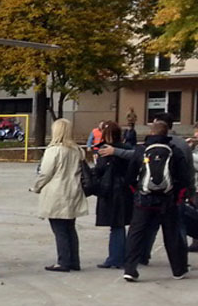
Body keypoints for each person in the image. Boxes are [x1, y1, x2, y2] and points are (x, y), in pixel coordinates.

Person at [121, 120, 190, 282]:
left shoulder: (141, 150)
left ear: (151, 132)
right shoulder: (175, 151)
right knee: (172, 235)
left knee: (136, 234)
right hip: (168, 201)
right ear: (167, 133)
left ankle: (130, 269)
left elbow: (130, 177)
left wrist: (137, 192)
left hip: (143, 201)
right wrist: (177, 196)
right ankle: (178, 270)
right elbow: (184, 178)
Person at [33, 119, 88, 272]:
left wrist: (36, 186)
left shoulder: (54, 150)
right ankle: (74, 260)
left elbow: (45, 173)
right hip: (73, 190)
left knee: (59, 229)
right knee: (70, 228)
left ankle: (63, 261)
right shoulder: (77, 150)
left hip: (57, 192)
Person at [93, 121, 132, 269]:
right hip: (126, 189)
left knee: (116, 226)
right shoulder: (127, 149)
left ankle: (116, 258)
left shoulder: (105, 150)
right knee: (120, 225)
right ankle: (122, 255)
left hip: (111, 190)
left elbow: (100, 169)